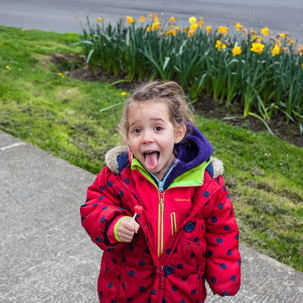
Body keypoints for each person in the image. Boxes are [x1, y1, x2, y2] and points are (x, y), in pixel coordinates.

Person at [80, 81, 241, 303]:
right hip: (128, 288)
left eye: (157, 128)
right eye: (137, 130)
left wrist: (225, 276)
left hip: (182, 291)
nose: (146, 138)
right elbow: (93, 207)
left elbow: (222, 230)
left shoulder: (205, 182)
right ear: (127, 136)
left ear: (177, 133)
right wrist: (114, 224)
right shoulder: (119, 175)